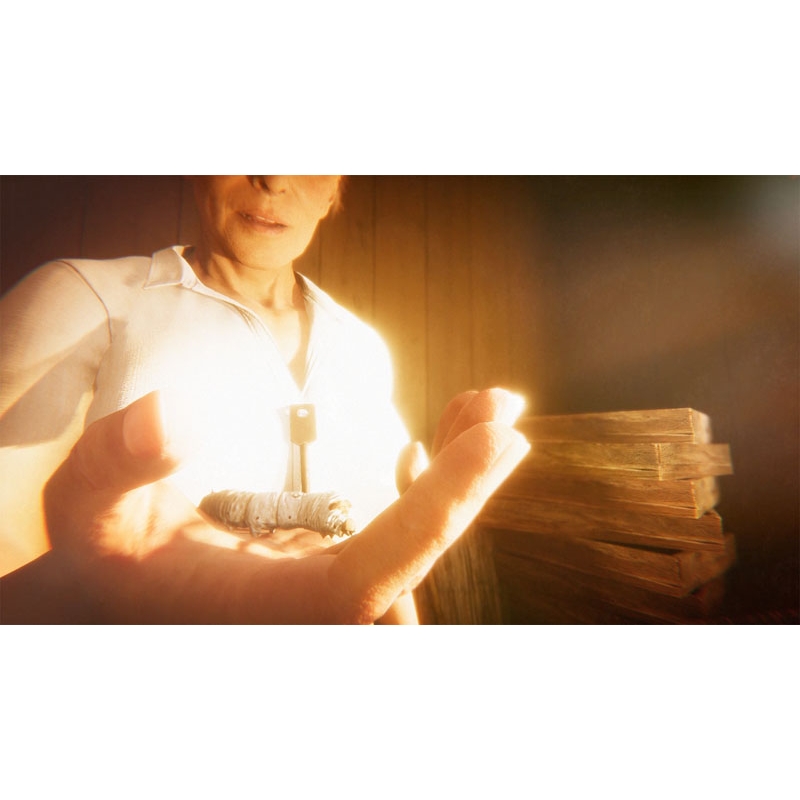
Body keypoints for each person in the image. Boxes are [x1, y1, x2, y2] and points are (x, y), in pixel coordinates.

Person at [0, 176, 529, 623]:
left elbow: (383, 580)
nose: (273, 179)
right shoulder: (79, 298)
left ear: (334, 190)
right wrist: (107, 587)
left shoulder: (364, 348)